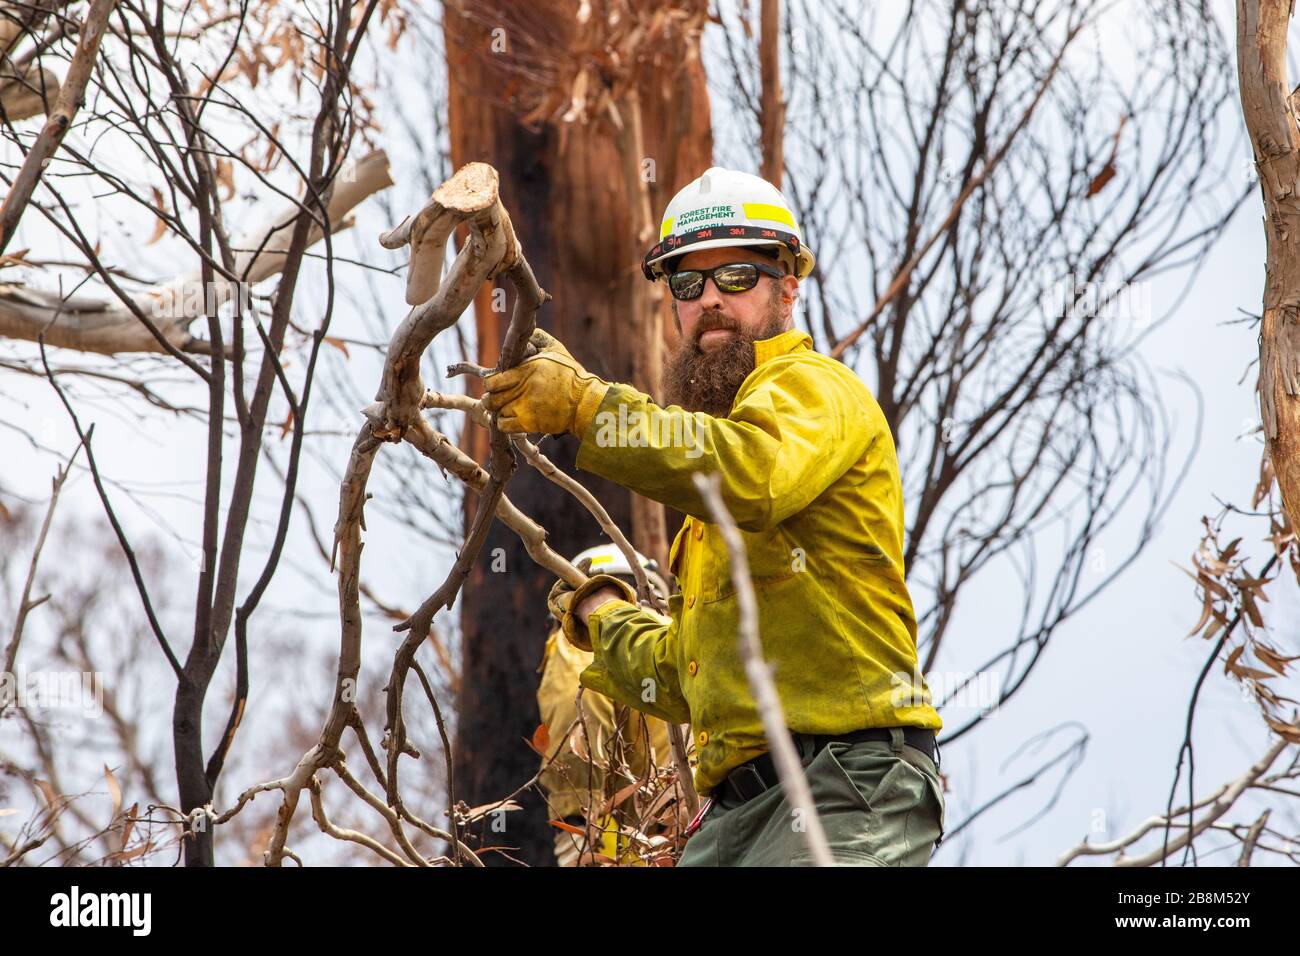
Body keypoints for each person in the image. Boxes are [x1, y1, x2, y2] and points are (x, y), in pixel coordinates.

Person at [486, 166, 945, 866]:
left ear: (788, 284)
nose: (709, 301)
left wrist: (586, 406)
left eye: (736, 276)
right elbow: (688, 678)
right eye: (688, 284)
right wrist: (602, 612)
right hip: (734, 813)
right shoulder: (710, 490)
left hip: (842, 785)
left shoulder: (812, 390)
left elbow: (750, 472)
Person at [536, 545, 672, 866]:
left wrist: (579, 824)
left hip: (614, 838)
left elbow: (577, 709)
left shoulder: (582, 647)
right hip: (687, 830)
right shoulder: (681, 646)